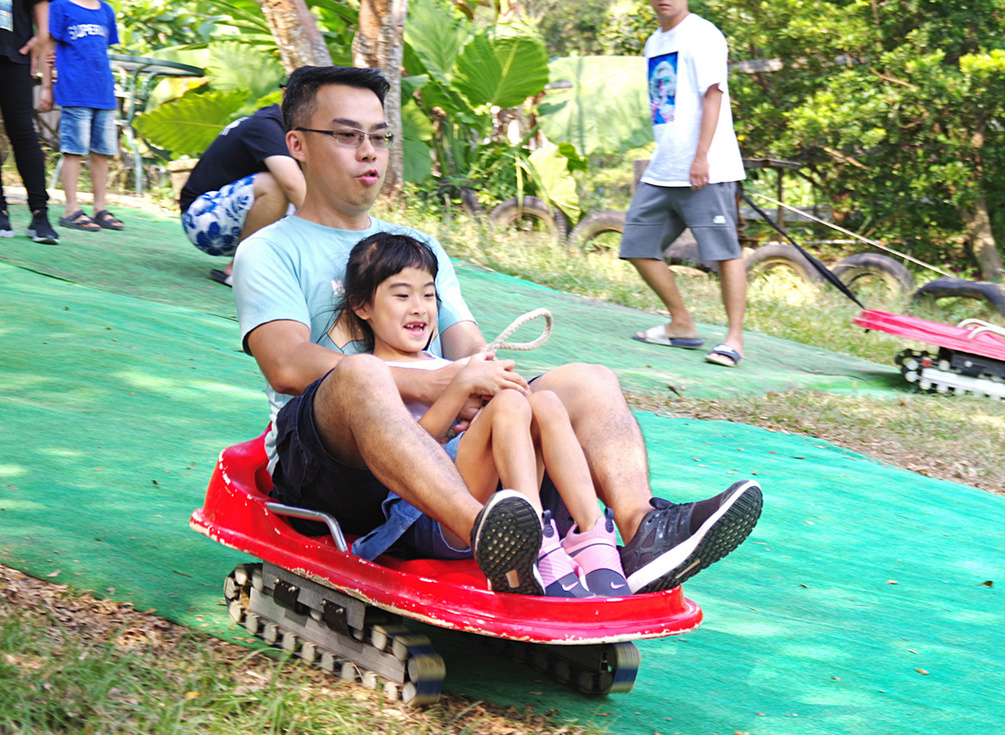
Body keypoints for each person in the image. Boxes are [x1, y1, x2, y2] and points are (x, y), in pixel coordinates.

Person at [233, 65, 762, 598]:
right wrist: (429, 385)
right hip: (332, 470)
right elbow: (287, 363)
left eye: (380, 136)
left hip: (443, 450)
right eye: (348, 136)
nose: (369, 151)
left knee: (587, 381)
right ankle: (492, 537)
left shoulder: (417, 246)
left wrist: (484, 383)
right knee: (360, 373)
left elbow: (466, 344)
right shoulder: (272, 248)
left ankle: (640, 529)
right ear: (297, 144)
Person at [338, 231, 631, 598]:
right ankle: (534, 546)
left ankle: (591, 538)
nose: (419, 307)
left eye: (428, 294)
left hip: (489, 505)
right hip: (428, 513)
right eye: (402, 295)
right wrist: (459, 389)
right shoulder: (372, 376)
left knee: (545, 403)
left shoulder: (446, 364)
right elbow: (403, 453)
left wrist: (496, 393)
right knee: (511, 406)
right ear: (363, 307)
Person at [621, 0, 747, 368]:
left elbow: (714, 95)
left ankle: (734, 340)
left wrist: (701, 156)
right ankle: (681, 323)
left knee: (725, 253)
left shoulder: (703, 34)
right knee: (636, 244)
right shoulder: (653, 42)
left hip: (706, 167)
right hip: (664, 167)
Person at [180, 91, 305, 287]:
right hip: (202, 220)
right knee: (275, 185)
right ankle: (239, 268)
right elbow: (292, 184)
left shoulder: (301, 130)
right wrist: (330, 232)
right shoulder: (265, 125)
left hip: (233, 218)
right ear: (286, 94)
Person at [47, 0, 124, 234]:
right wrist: (46, 87)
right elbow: (48, 50)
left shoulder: (106, 10)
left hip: (102, 91)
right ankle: (71, 208)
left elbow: (100, 49)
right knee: (74, 150)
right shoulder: (59, 6)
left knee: (102, 151)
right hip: (74, 91)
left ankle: (99, 207)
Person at [0, 0, 58, 244]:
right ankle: (1, 211)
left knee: (23, 132)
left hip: (15, 50)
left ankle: (40, 215)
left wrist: (43, 35)